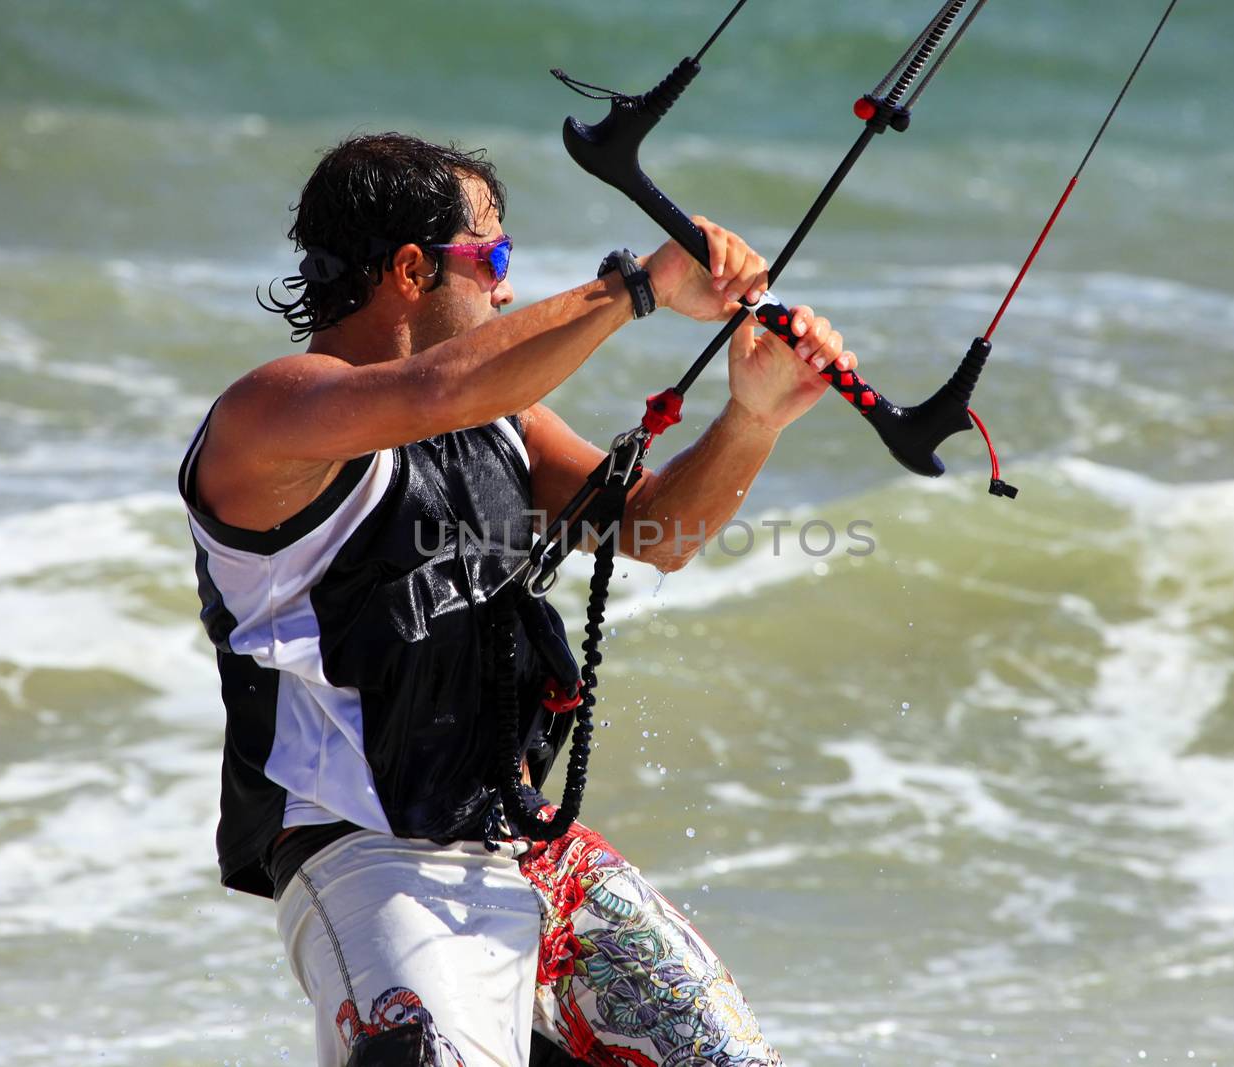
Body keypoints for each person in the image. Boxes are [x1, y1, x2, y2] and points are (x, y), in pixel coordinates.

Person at [178, 132, 857, 1067]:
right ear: (410, 270)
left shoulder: (503, 421)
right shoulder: (272, 415)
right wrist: (637, 285)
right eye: (494, 259)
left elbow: (659, 532)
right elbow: (435, 387)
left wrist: (754, 416)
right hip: (371, 862)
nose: (506, 287)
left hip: (527, 844)